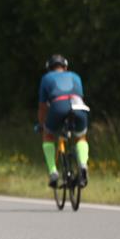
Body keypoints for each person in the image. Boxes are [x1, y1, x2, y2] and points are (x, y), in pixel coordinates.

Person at [38, 54, 89, 188]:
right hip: (78, 105)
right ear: (65, 67)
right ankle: (83, 165)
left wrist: (42, 124)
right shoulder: (76, 76)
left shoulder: (46, 78)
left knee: (48, 135)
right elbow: (80, 95)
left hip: (58, 106)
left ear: (49, 68)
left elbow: (43, 106)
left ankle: (53, 172)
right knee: (81, 137)